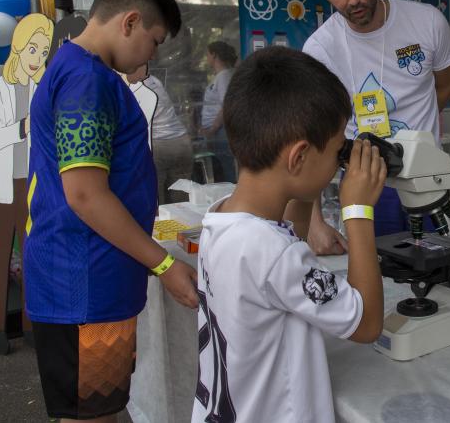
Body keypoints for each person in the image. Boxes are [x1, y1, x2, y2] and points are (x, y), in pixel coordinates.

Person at [24, 0, 198, 423]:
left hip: (92, 281)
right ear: (130, 22)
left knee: (102, 408)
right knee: (91, 415)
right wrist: (162, 263)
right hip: (85, 287)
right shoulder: (87, 81)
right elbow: (85, 195)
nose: (153, 54)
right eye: (155, 40)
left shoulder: (80, 70)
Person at [193, 47, 386, 422]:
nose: (338, 162)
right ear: (298, 157)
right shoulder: (269, 252)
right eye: (336, 152)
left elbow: (288, 242)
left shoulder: (222, 220)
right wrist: (359, 211)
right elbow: (366, 325)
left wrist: (312, 181)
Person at [295, 0, 450, 254]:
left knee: (438, 270)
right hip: (365, 182)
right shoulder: (320, 49)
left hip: (427, 176)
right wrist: (314, 223)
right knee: (374, 274)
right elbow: (311, 135)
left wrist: (413, 135)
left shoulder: (427, 22)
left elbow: (448, 84)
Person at [0, 12, 54, 354]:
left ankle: (29, 324)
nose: (37, 59)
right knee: (0, 256)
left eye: (43, 53)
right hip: (3, 184)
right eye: (33, 50)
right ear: (18, 47)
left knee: (30, 255)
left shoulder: (43, 87)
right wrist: (26, 125)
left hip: (31, 182)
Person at [145, 73, 192, 204]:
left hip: (158, 144)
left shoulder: (133, 85)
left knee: (157, 201)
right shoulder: (154, 80)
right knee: (181, 200)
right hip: (182, 141)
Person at [199, 41, 237, 183]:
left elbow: (226, 104)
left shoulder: (224, 76)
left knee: (226, 166)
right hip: (217, 130)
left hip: (221, 130)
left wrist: (213, 129)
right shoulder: (222, 75)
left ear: (214, 55)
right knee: (223, 165)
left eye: (208, 54)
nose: (207, 57)